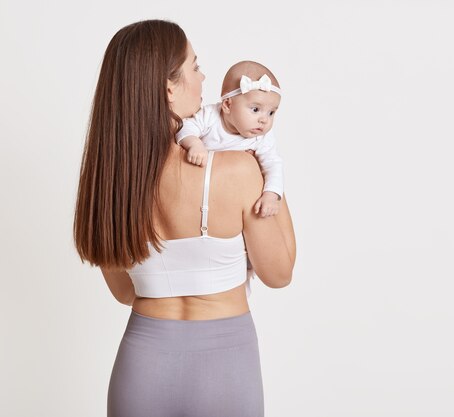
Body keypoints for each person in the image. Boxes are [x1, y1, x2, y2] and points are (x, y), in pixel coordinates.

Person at [73, 19, 296, 417]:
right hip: (225, 367)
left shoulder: (107, 184)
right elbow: (279, 273)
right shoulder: (239, 170)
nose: (204, 76)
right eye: (194, 66)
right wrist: (266, 168)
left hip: (141, 366)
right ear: (169, 86)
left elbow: (127, 292)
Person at [177, 61, 285, 218]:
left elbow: (273, 163)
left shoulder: (261, 137)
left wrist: (271, 195)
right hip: (200, 190)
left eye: (271, 113)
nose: (264, 120)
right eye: (255, 109)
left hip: (233, 196)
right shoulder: (210, 116)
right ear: (227, 105)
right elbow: (186, 128)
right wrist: (194, 143)